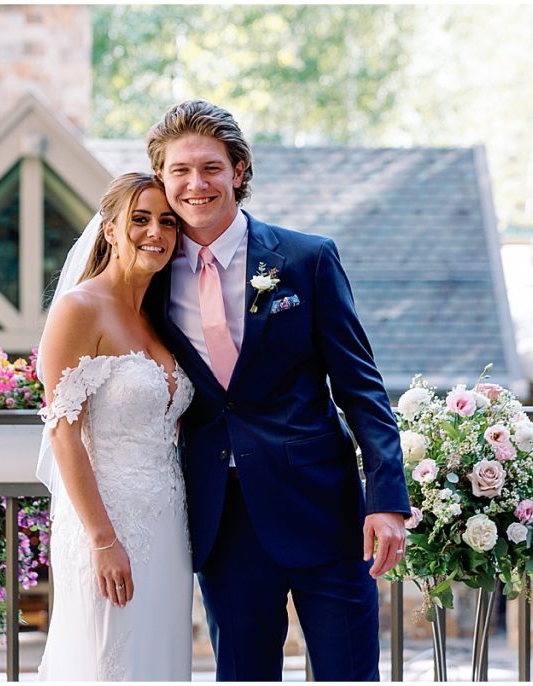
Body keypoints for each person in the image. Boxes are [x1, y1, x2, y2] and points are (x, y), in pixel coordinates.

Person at [142, 99, 412, 681]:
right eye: (180, 171)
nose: (196, 184)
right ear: (162, 180)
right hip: (222, 520)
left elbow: (361, 388)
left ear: (238, 171)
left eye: (211, 168)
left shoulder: (306, 259)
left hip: (325, 510)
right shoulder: (151, 278)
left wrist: (387, 499)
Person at [35, 172, 194, 681]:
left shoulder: (159, 317)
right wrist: (103, 539)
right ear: (109, 229)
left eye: (167, 222)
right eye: (140, 219)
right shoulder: (80, 308)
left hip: (169, 525)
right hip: (105, 525)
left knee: (156, 661)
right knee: (109, 662)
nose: (156, 233)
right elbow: (63, 432)